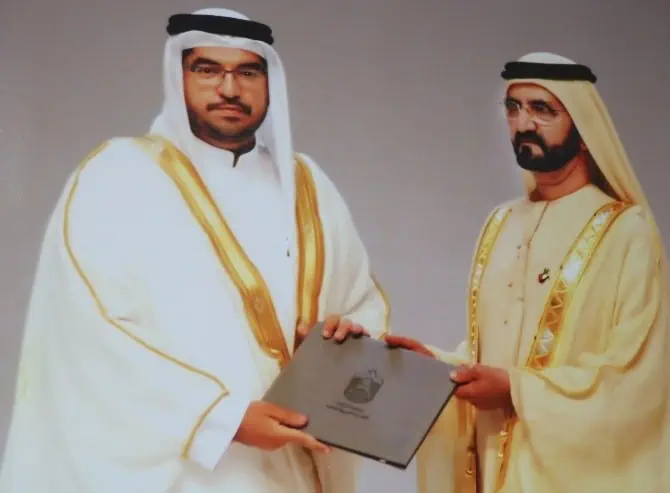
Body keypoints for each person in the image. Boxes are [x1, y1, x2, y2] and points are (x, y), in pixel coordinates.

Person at [0, 8, 391, 493]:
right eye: (207, 70)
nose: (229, 89)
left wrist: (348, 341)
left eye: (248, 72)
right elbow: (86, 334)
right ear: (176, 76)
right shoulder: (120, 176)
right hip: (188, 470)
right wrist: (223, 420)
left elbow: (360, 307)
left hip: (297, 467)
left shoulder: (308, 184)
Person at [386, 52, 670, 493]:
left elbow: (637, 373)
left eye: (542, 109)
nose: (523, 123)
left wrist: (516, 391)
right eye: (513, 108)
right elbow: (491, 355)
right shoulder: (500, 223)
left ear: (583, 131)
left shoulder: (625, 230)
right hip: (493, 467)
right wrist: (437, 369)